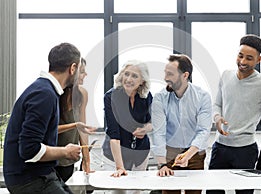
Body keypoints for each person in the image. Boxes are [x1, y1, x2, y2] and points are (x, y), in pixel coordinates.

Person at [207, 34, 261, 194]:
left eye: (249, 58)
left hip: (245, 151)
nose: (242, 62)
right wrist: (217, 118)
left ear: (258, 60)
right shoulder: (226, 75)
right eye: (240, 56)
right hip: (220, 148)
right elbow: (217, 104)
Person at [3, 42, 82, 194]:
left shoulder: (44, 90)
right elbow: (29, 149)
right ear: (72, 68)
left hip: (39, 174)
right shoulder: (44, 95)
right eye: (79, 69)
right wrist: (65, 152)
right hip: (28, 179)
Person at [150, 54, 212, 194]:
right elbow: (159, 132)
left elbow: (203, 130)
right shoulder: (160, 98)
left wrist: (188, 154)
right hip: (170, 153)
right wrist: (162, 164)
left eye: (170, 74)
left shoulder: (202, 97)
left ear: (185, 75)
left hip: (195, 154)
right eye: (165, 73)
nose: (165, 78)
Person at [101, 60, 152, 192]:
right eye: (126, 74)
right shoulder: (110, 97)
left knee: (136, 191)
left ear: (142, 81)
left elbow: (153, 123)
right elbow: (114, 133)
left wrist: (145, 129)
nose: (129, 79)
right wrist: (120, 167)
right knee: (118, 191)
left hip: (140, 153)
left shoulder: (146, 97)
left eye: (134, 76)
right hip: (114, 154)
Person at [55, 58, 96, 182]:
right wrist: (75, 125)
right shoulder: (54, 95)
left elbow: (82, 130)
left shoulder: (82, 94)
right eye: (82, 71)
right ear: (72, 71)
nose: (86, 74)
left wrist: (86, 160)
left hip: (69, 160)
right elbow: (49, 130)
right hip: (51, 159)